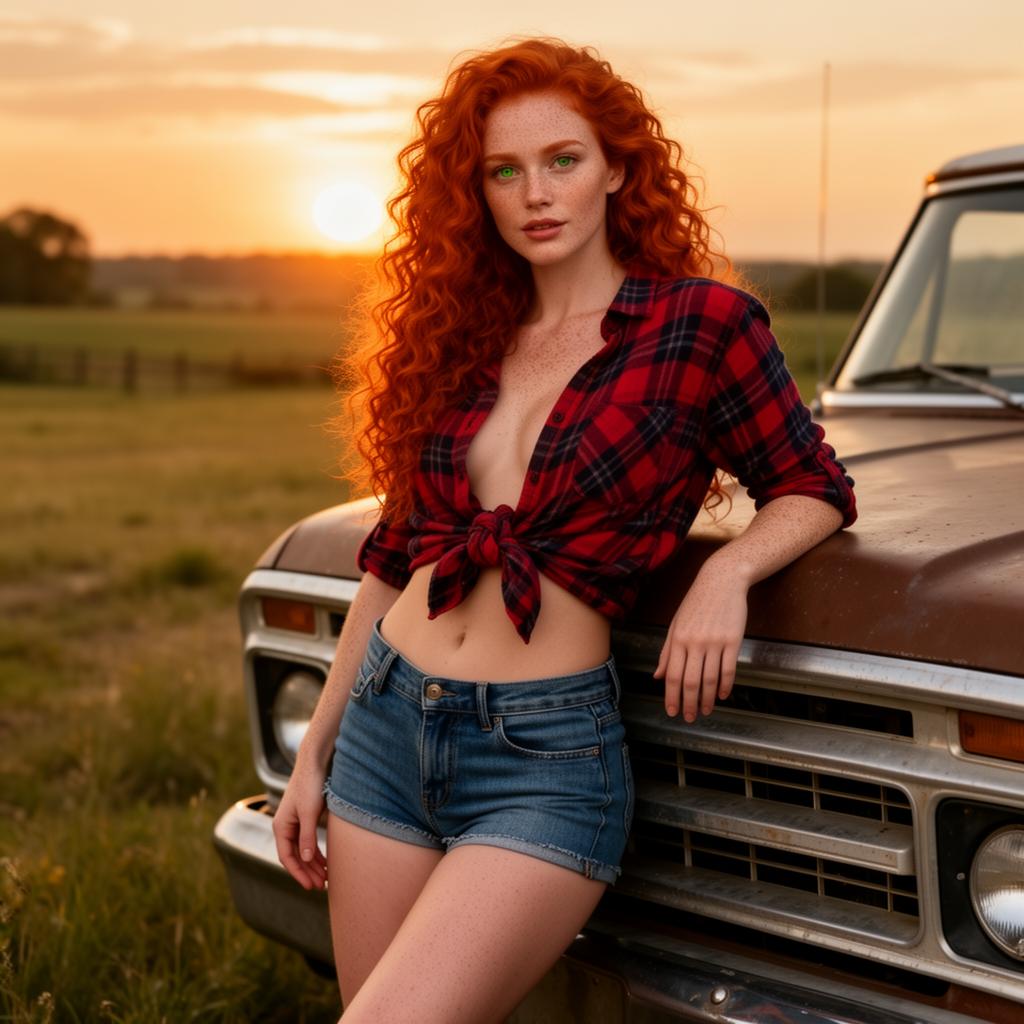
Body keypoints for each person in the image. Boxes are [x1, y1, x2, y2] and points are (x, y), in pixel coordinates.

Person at [273, 37, 857, 1023]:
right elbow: (395, 561)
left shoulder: (701, 325)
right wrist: (315, 749)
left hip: (540, 760)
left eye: (563, 160)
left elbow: (812, 483)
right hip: (385, 726)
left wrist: (728, 574)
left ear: (619, 168)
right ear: (477, 193)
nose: (535, 194)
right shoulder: (463, 334)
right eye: (503, 172)